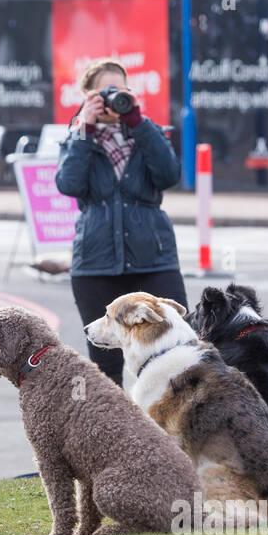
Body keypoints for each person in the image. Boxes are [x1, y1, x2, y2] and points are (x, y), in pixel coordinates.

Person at [55, 57, 187, 386]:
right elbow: (69, 185)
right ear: (87, 96)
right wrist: (84, 128)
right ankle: (114, 436)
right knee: (105, 368)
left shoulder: (148, 132)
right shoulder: (76, 139)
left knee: (178, 353)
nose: (114, 97)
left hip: (153, 260)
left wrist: (138, 123)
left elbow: (169, 174)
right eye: (105, 92)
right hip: (96, 266)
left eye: (121, 90)